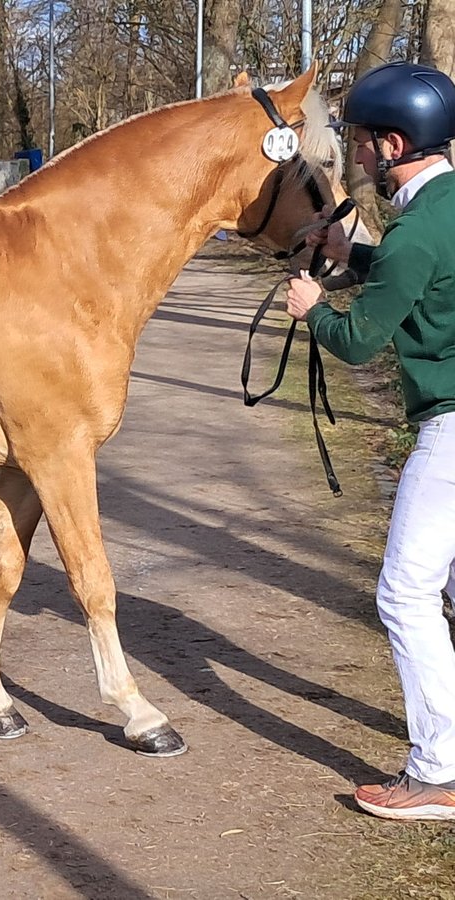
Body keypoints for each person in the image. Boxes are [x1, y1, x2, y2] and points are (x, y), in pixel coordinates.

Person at [286, 61, 455, 821]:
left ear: (393, 143)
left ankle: (439, 772)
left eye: (358, 143)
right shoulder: (445, 208)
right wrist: (350, 254)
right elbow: (415, 277)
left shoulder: (419, 225)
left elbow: (358, 341)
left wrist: (312, 307)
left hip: (451, 429)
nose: (354, 157)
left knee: (404, 592)